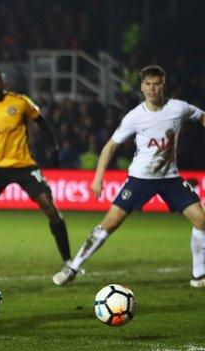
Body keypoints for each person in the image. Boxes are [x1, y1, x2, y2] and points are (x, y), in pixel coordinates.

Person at [52, 65, 205, 287]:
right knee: (110, 223)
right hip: (140, 179)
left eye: (156, 84)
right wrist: (98, 178)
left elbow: (201, 116)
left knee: (201, 219)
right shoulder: (135, 117)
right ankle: (73, 267)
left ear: (163, 85)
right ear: (142, 87)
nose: (152, 89)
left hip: (170, 178)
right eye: (148, 85)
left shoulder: (178, 108)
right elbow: (110, 147)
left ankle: (199, 275)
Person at [0, 69, 71, 270]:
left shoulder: (20, 102)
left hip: (24, 165)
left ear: (3, 83)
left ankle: (68, 261)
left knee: (50, 208)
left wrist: (53, 148)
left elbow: (41, 123)